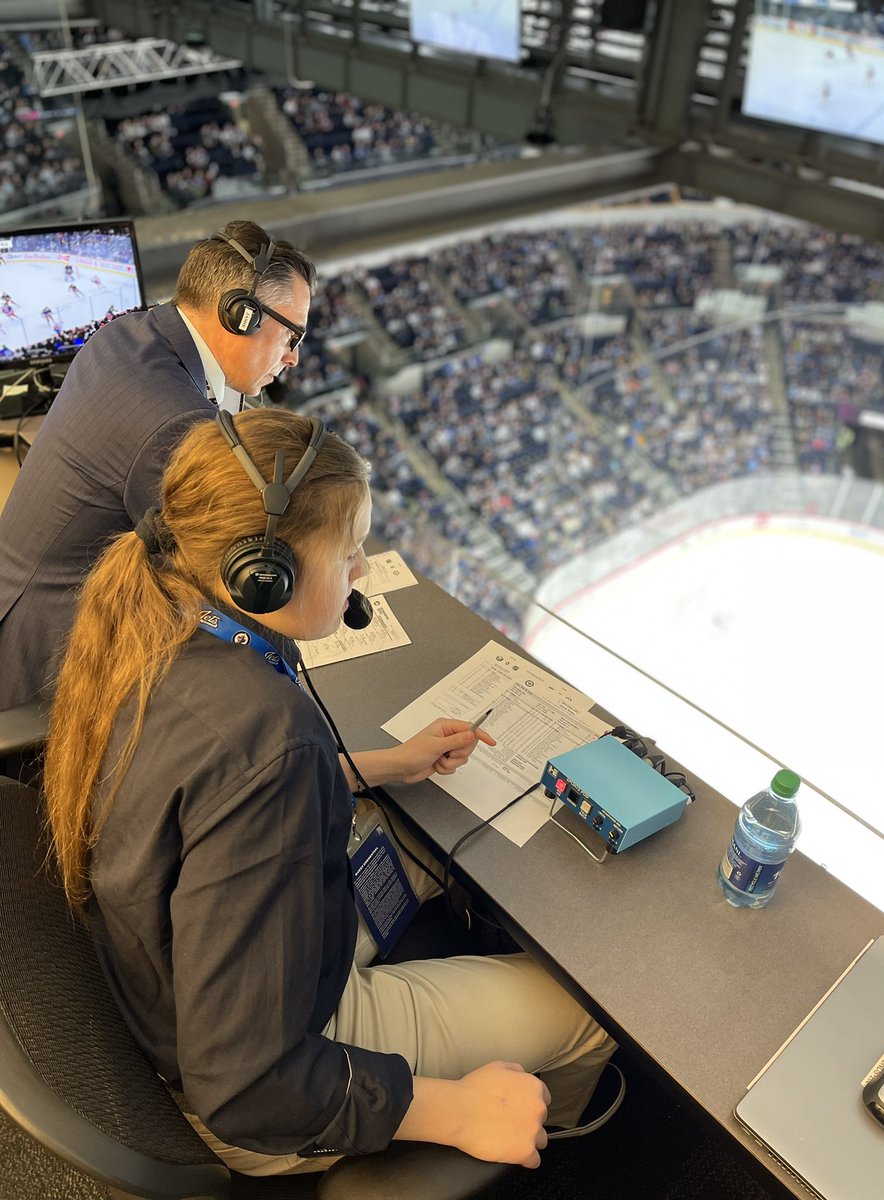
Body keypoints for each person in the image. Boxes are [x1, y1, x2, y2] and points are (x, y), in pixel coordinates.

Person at [43, 408, 616, 1176]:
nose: (362, 573)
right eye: (348, 554)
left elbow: (215, 805)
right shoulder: (270, 740)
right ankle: (565, 1154)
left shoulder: (150, 613)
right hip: (263, 1089)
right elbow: (246, 1084)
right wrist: (454, 1111)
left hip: (180, 983)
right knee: (588, 1012)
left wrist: (389, 764)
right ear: (263, 572)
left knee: (401, 830)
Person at [0, 220, 315, 711]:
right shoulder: (177, 423)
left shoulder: (129, 333)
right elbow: (230, 577)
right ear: (242, 316)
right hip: (42, 670)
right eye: (293, 333)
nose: (293, 357)